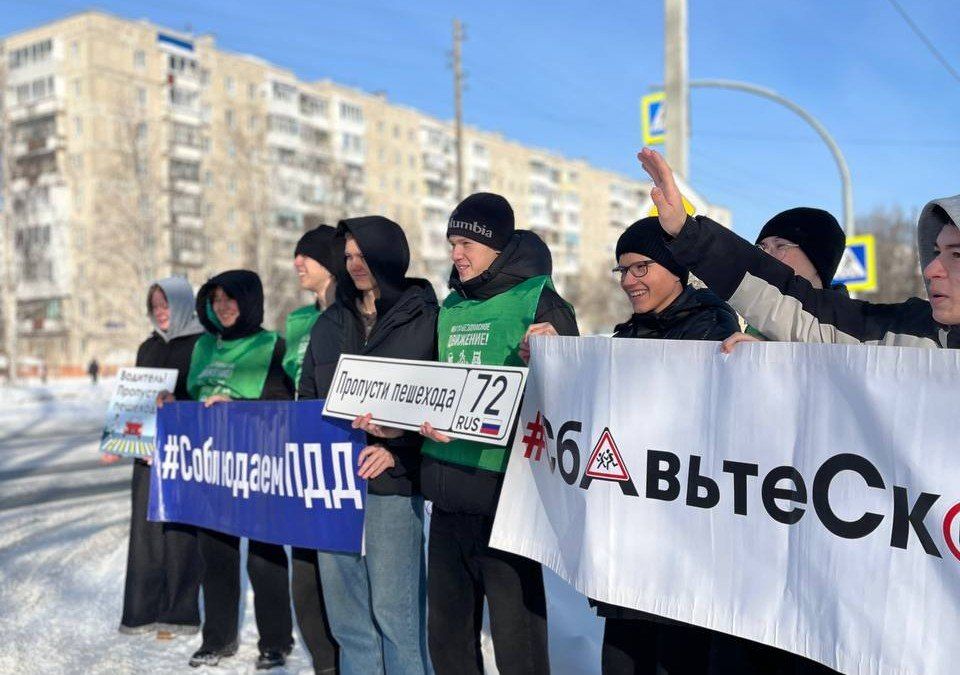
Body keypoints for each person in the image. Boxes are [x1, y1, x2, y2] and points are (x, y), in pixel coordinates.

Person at [418, 193, 578, 675]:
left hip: (505, 496)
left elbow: (572, 398)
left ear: (495, 245)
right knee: (446, 634)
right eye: (451, 243)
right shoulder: (452, 305)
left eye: (465, 242)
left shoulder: (539, 300)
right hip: (446, 492)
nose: (455, 254)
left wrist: (554, 355)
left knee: (516, 638)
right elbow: (432, 382)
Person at [596, 217, 739, 675]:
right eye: (623, 271)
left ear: (676, 269)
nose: (630, 282)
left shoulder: (711, 328)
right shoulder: (628, 334)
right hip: (629, 540)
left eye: (641, 267)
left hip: (682, 546)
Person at [638, 147, 960, 350]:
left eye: (956, 254)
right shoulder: (897, 330)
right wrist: (686, 230)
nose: (931, 270)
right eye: (935, 252)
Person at [299, 216, 436, 675]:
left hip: (391, 487)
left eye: (363, 255)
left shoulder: (426, 320)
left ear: (390, 255)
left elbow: (441, 408)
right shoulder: (328, 325)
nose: (355, 264)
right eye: (348, 256)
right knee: (350, 623)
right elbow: (306, 401)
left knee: (397, 620)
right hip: (333, 490)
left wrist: (399, 451)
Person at [161, 269, 295, 670]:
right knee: (215, 557)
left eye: (230, 299)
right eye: (216, 300)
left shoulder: (272, 346)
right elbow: (188, 395)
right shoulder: (203, 347)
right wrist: (171, 400)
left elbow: (284, 404)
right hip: (211, 468)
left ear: (250, 301)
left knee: (264, 557)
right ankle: (217, 640)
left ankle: (275, 641)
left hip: (257, 464)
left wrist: (236, 408)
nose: (222, 307)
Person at [119, 277, 203, 640]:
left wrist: (177, 404)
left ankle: (179, 614)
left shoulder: (202, 345)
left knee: (181, 536)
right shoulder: (147, 347)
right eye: (155, 306)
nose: (161, 312)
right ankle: (141, 612)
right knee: (146, 534)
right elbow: (136, 399)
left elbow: (203, 397)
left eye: (166, 304)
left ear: (184, 305)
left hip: (185, 453)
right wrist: (122, 434)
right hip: (148, 455)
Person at [286, 225, 341, 675]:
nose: (297, 263)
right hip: (307, 463)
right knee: (303, 578)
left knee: (343, 583)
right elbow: (285, 387)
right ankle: (325, 663)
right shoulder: (300, 321)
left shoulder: (354, 312)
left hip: (345, 460)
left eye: (306, 255)